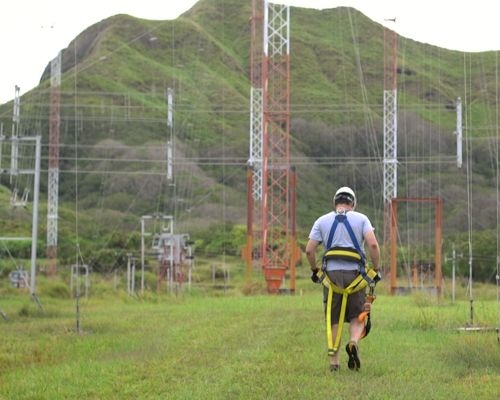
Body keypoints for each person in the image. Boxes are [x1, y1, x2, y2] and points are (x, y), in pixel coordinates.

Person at [306, 186, 380, 372]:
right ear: (353, 204)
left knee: (333, 318)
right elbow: (372, 244)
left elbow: (309, 250)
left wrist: (315, 270)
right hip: (356, 277)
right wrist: (375, 269)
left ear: (335, 203)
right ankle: (353, 342)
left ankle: (334, 363)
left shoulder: (321, 221)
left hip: (331, 278)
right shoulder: (362, 219)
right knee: (356, 315)